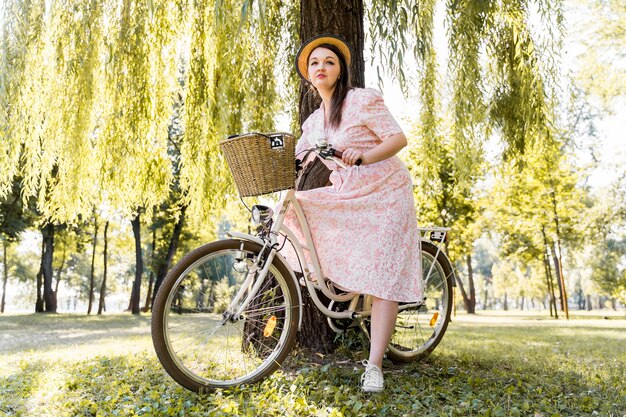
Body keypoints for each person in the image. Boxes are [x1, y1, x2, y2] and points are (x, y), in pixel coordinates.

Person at [284, 34, 423, 393]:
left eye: (329, 62)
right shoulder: (314, 122)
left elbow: (397, 139)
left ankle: (374, 366)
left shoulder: (362, 100)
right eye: (314, 63)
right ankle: (345, 293)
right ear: (308, 75)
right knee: (297, 210)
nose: (321, 67)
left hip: (386, 191)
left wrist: (364, 157)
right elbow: (297, 156)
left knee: (382, 278)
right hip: (351, 194)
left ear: (340, 69)